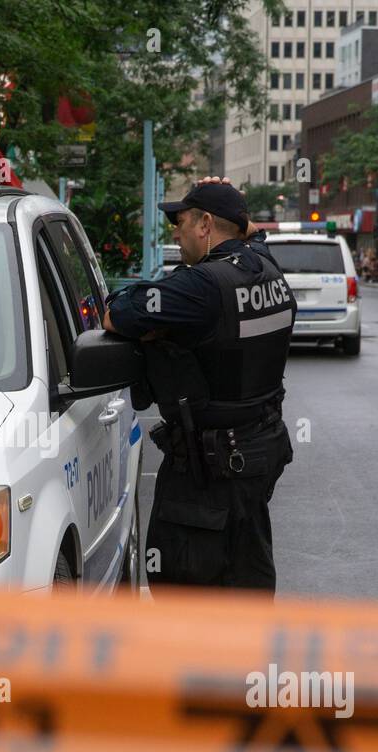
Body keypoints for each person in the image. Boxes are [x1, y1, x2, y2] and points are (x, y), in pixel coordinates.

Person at [102, 178, 295, 593]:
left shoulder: (203, 286)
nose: (175, 232)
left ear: (206, 224)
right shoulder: (268, 269)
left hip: (204, 481)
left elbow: (118, 314)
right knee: (248, 588)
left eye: (183, 221)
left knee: (184, 596)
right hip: (255, 462)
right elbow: (254, 237)